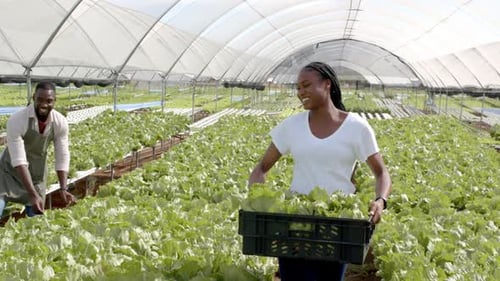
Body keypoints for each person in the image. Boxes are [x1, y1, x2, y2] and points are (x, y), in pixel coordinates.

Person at [248, 62, 392, 281]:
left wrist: (380, 201)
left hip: (336, 228)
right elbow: (261, 168)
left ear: (327, 85)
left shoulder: (357, 127)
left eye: (306, 85)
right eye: (297, 88)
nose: (300, 92)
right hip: (296, 224)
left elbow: (381, 173)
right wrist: (258, 201)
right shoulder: (292, 126)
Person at [0, 81, 76, 219]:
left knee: (36, 223)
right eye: (40, 99)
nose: (44, 104)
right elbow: (19, 160)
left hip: (36, 177)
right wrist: (33, 195)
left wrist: (63, 188)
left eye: (49, 101)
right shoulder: (17, 120)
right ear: (33, 97)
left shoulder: (60, 122)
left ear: (55, 101)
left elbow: (62, 155)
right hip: (7, 173)